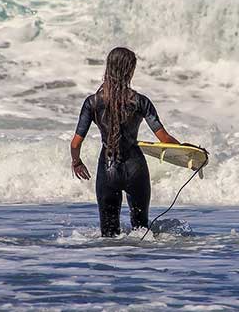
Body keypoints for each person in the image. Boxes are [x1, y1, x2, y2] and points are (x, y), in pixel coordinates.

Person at [70, 47, 180, 237]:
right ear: (130, 70)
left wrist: (77, 162)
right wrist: (187, 151)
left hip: (107, 169)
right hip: (136, 169)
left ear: (108, 68)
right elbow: (164, 139)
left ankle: (113, 265)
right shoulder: (140, 101)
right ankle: (136, 265)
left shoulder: (92, 102)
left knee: (109, 234)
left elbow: (75, 143)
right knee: (141, 231)